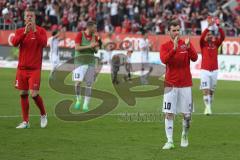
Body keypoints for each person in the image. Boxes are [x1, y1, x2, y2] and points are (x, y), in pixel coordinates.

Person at [160, 20, 198, 149]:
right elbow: (164, 60)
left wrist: (188, 47)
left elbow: (195, 58)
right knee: (169, 113)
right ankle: (170, 141)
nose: (176, 33)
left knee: (187, 115)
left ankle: (184, 135)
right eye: (174, 30)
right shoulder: (165, 46)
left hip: (186, 84)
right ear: (169, 32)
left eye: (178, 30)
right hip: (170, 85)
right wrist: (174, 49)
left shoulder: (186, 44)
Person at [11, 7, 48, 129]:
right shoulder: (20, 31)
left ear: (35, 17)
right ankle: (25, 122)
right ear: (24, 17)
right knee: (23, 93)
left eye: (31, 15)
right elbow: (15, 43)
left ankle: (43, 114)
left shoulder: (41, 31)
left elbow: (44, 44)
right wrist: (25, 33)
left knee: (34, 94)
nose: (29, 18)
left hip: (34, 69)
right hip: (21, 69)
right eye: (27, 16)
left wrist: (35, 31)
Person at [200, 17, 225, 115]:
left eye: (211, 34)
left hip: (215, 70)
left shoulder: (216, 44)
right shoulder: (203, 44)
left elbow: (222, 37)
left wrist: (218, 27)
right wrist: (208, 27)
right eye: (208, 34)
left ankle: (209, 106)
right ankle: (208, 108)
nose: (209, 36)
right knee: (205, 90)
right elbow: (202, 37)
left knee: (211, 92)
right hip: (205, 71)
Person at [73, 21, 99, 112]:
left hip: (90, 63)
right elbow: (77, 48)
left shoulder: (95, 37)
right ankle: (78, 99)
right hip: (79, 62)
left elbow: (96, 51)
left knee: (89, 84)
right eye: (94, 28)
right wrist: (89, 46)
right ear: (89, 27)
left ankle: (85, 104)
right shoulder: (80, 35)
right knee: (78, 83)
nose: (96, 29)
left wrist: (95, 46)